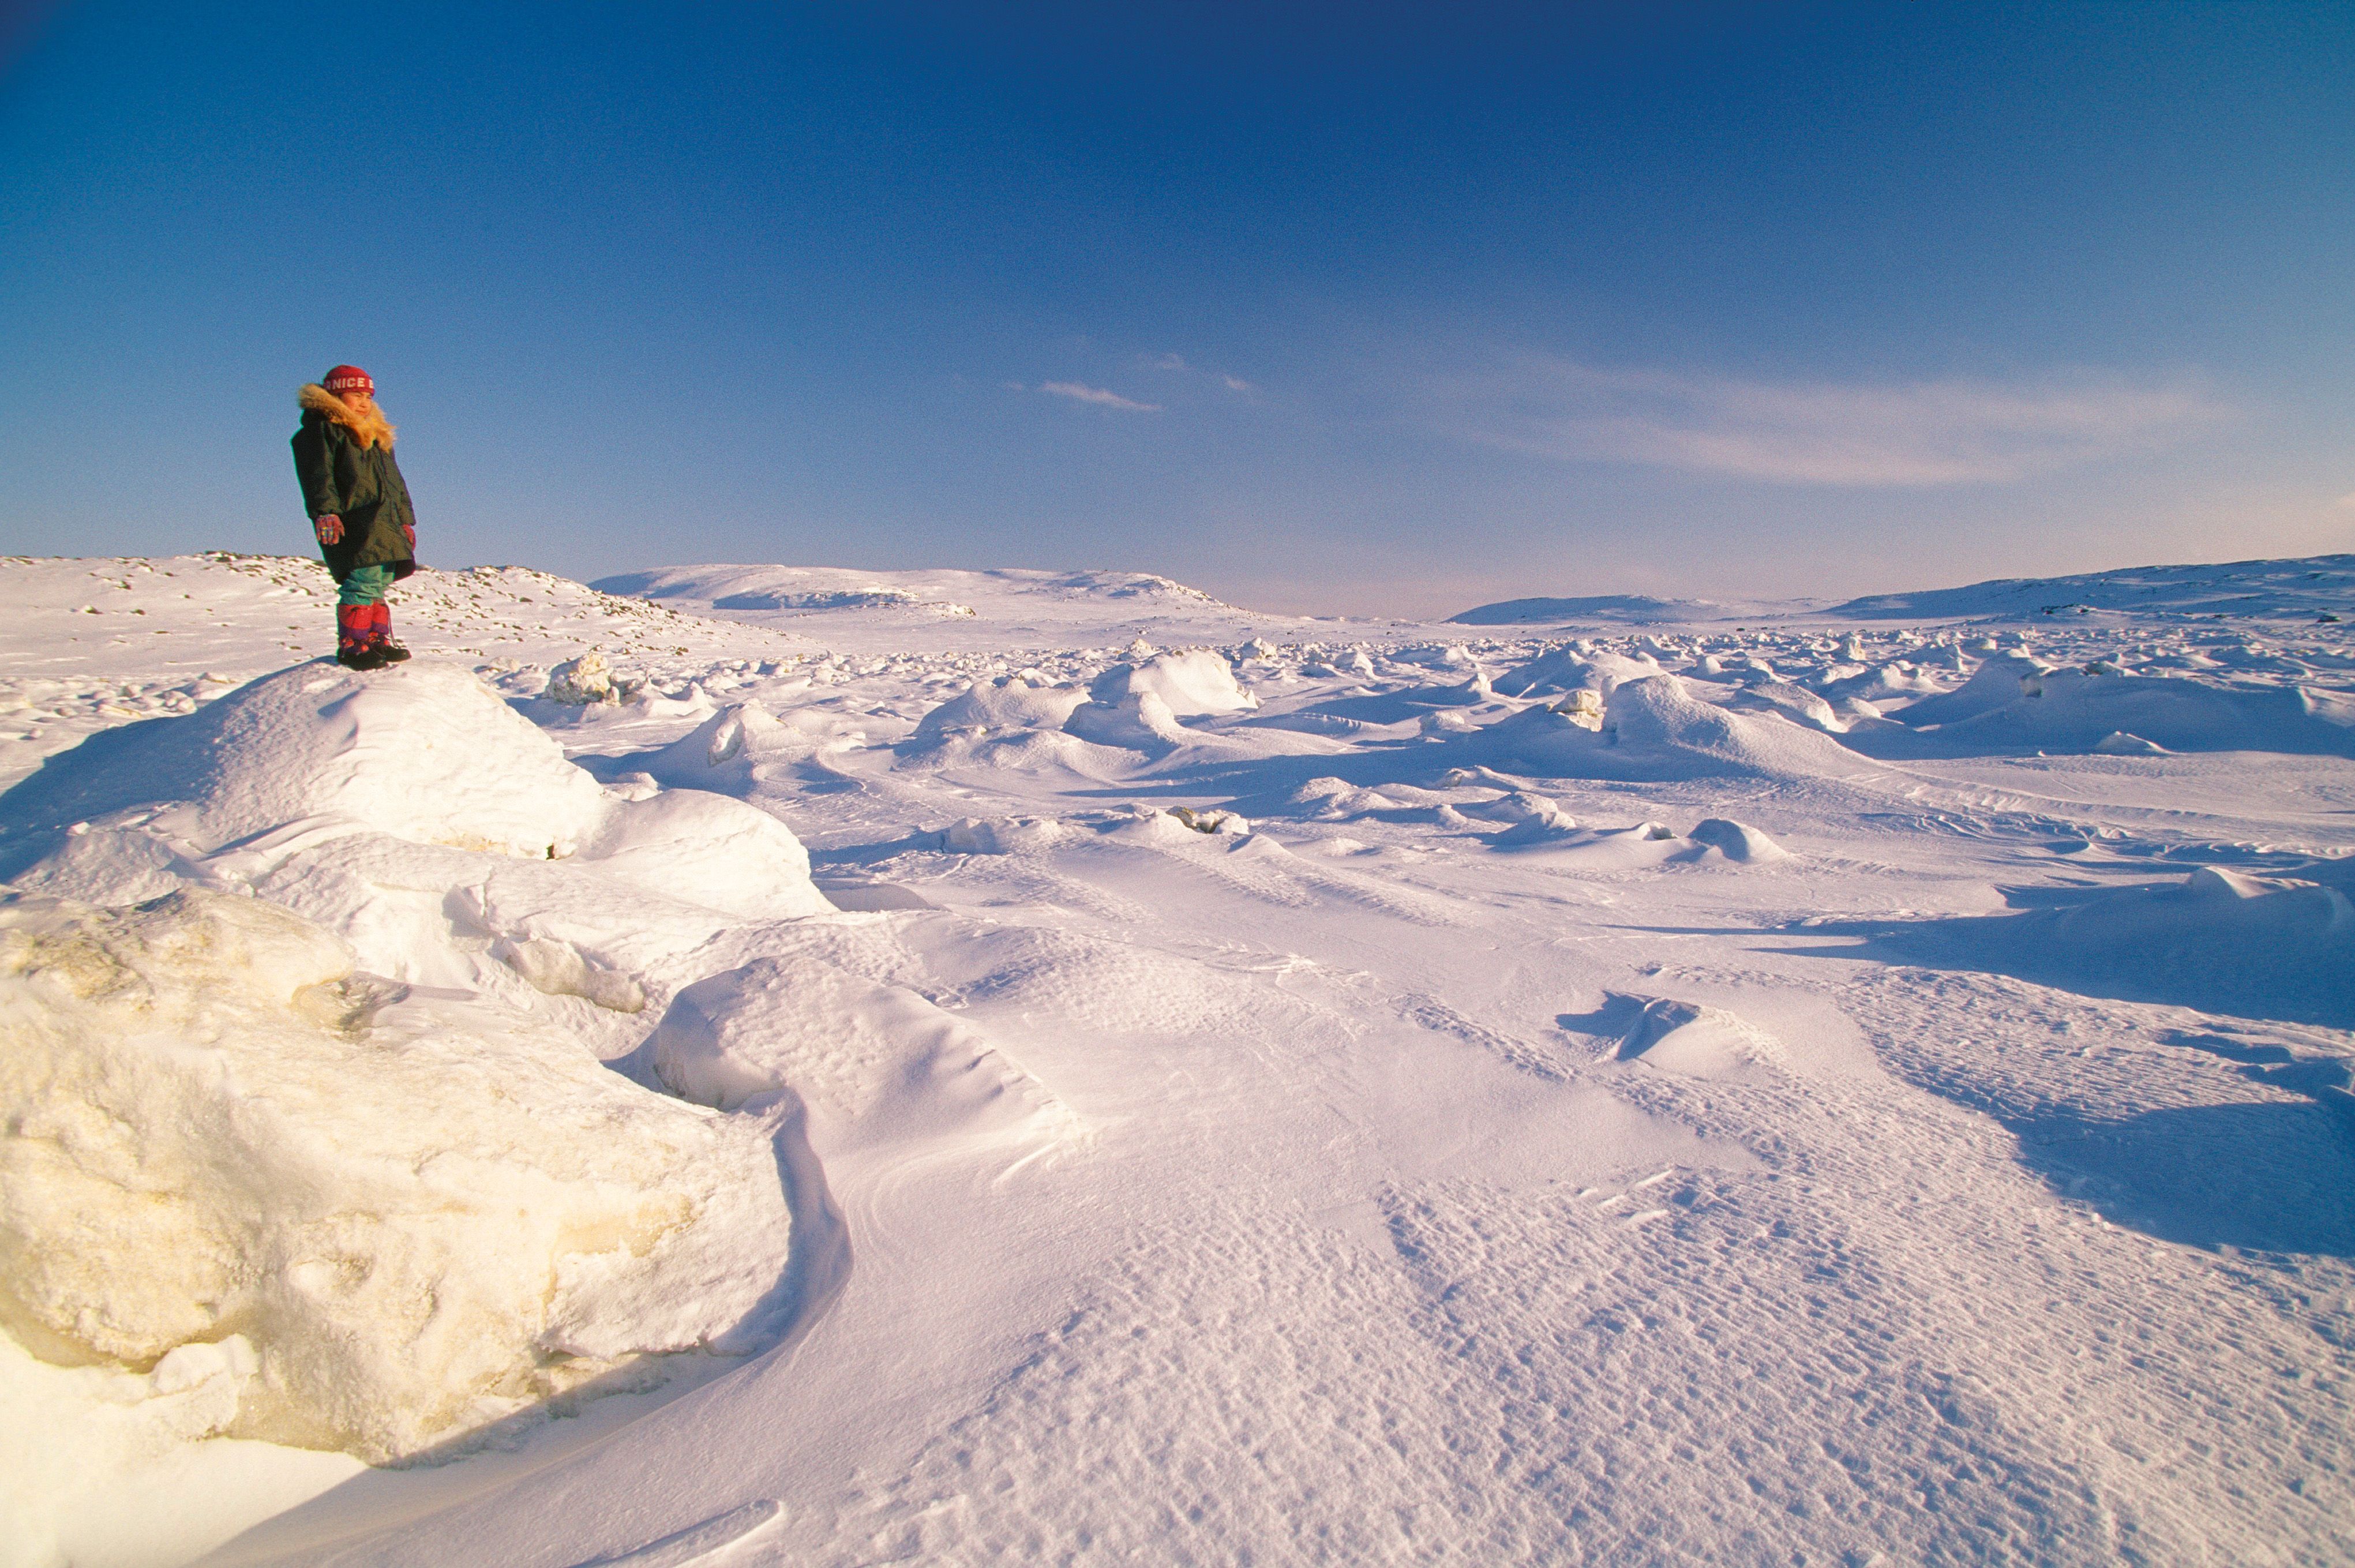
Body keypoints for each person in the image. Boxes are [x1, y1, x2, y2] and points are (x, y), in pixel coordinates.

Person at [291, 364, 418, 670]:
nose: (364, 402)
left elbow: (395, 483)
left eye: (368, 396)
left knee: (378, 580)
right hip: (353, 519)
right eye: (355, 394)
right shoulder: (323, 432)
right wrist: (326, 513)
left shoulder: (377, 437)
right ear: (335, 396)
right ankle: (353, 644)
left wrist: (405, 520)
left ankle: (375, 639)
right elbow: (318, 477)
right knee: (360, 580)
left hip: (384, 521)